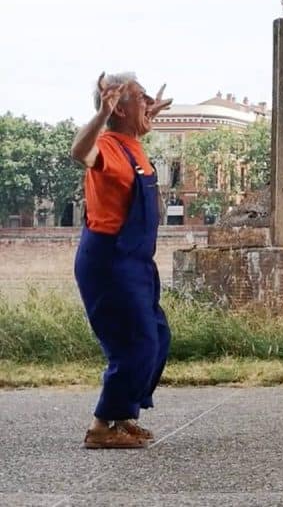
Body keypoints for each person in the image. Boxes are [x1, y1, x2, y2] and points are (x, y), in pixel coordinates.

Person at [70, 72, 173, 449]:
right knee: (136, 342)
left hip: (136, 260)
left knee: (158, 337)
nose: (149, 103)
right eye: (141, 97)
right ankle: (101, 426)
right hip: (110, 258)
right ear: (118, 107)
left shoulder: (131, 145)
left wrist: (146, 114)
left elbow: (134, 130)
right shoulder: (107, 145)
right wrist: (103, 113)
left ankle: (123, 416)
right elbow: (79, 152)